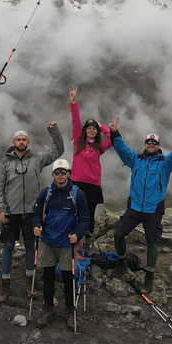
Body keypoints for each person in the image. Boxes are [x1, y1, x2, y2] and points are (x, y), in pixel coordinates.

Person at [108, 117, 172, 291]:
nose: (151, 144)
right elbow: (121, 148)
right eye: (148, 141)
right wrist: (115, 132)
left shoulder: (165, 163)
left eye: (154, 142)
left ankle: (150, 274)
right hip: (134, 206)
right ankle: (121, 262)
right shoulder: (135, 159)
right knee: (118, 234)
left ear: (158, 145)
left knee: (151, 242)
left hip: (154, 209)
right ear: (145, 144)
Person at [0, 123, 65, 303]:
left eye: (24, 139)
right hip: (10, 213)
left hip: (32, 212)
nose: (21, 142)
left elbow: (59, 151)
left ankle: (28, 282)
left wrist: (53, 131)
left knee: (31, 246)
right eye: (18, 139)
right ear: (13, 142)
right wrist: (1, 209)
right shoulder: (4, 163)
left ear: (28, 142)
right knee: (8, 247)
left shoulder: (37, 159)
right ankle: (5, 284)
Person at [31, 159, 90, 330]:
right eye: (57, 172)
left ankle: (70, 310)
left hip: (67, 242)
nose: (60, 175)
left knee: (68, 278)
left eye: (63, 172)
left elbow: (85, 218)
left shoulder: (77, 193)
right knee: (47, 276)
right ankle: (49, 308)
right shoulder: (46, 193)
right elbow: (36, 213)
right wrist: (36, 226)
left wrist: (78, 234)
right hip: (48, 240)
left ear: (69, 173)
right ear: (53, 175)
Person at [68, 86, 111, 240]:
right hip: (76, 183)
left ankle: (86, 243)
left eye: (94, 129)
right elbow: (75, 122)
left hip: (92, 185)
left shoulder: (99, 147)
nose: (92, 130)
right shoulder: (77, 142)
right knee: (74, 212)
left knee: (89, 214)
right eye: (89, 128)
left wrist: (103, 127)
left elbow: (113, 139)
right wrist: (74, 103)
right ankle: (72, 242)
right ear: (85, 130)